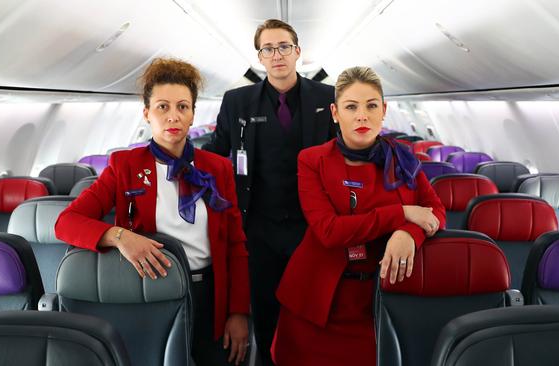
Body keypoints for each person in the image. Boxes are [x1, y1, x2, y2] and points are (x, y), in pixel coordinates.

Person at [55, 58, 250, 366]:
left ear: (193, 114)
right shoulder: (124, 166)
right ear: (146, 113)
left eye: (182, 107)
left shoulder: (217, 168)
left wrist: (239, 313)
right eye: (162, 106)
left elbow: (237, 244)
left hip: (211, 294)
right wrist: (119, 237)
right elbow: (65, 223)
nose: (173, 116)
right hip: (151, 290)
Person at [272, 66, 446, 366]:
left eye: (371, 106)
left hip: (377, 300)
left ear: (384, 110)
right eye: (351, 107)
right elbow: (329, 231)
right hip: (317, 302)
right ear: (335, 112)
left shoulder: (403, 159)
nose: (362, 116)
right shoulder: (313, 161)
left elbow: (436, 213)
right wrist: (401, 214)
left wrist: (410, 234)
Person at [202, 19, 336, 365]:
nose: (277, 55)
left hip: (313, 228)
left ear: (298, 52)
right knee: (265, 313)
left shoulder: (329, 98)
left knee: (311, 316)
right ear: (259, 57)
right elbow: (216, 154)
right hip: (258, 228)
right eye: (268, 49)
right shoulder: (237, 102)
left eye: (284, 47)